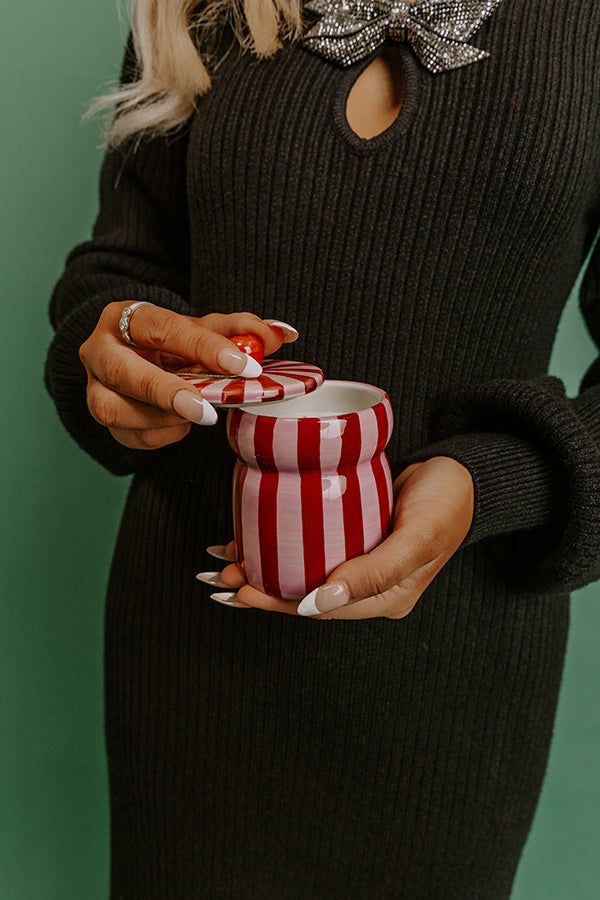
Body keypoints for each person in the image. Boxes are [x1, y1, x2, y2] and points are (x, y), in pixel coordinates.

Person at [45, 0, 600, 896]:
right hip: (191, 645)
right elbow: (119, 270)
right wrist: (116, 349)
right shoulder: (204, 6)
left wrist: (489, 482)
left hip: (458, 677)